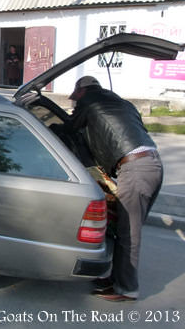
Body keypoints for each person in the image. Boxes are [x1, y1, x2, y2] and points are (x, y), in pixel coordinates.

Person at [67, 76, 163, 302]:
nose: (74, 102)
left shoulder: (89, 101)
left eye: (75, 97)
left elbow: (70, 128)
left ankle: (127, 289)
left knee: (128, 234)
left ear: (81, 91)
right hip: (152, 163)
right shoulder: (122, 103)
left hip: (135, 169)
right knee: (125, 230)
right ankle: (116, 279)